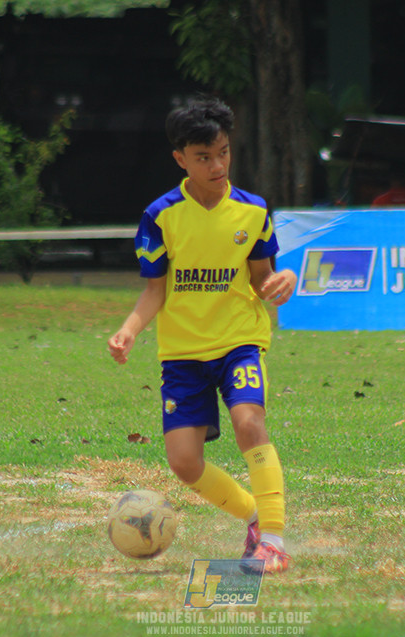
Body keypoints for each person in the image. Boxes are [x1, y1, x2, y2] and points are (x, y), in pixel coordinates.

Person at [107, 98, 297, 574]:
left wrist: (282, 283)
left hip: (239, 341)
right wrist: (128, 331)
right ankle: (254, 516)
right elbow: (155, 290)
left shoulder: (253, 211)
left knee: (249, 421)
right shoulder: (161, 215)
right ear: (180, 159)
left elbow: (261, 279)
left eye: (224, 153)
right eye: (204, 157)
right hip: (184, 353)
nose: (217, 165)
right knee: (185, 463)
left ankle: (272, 540)